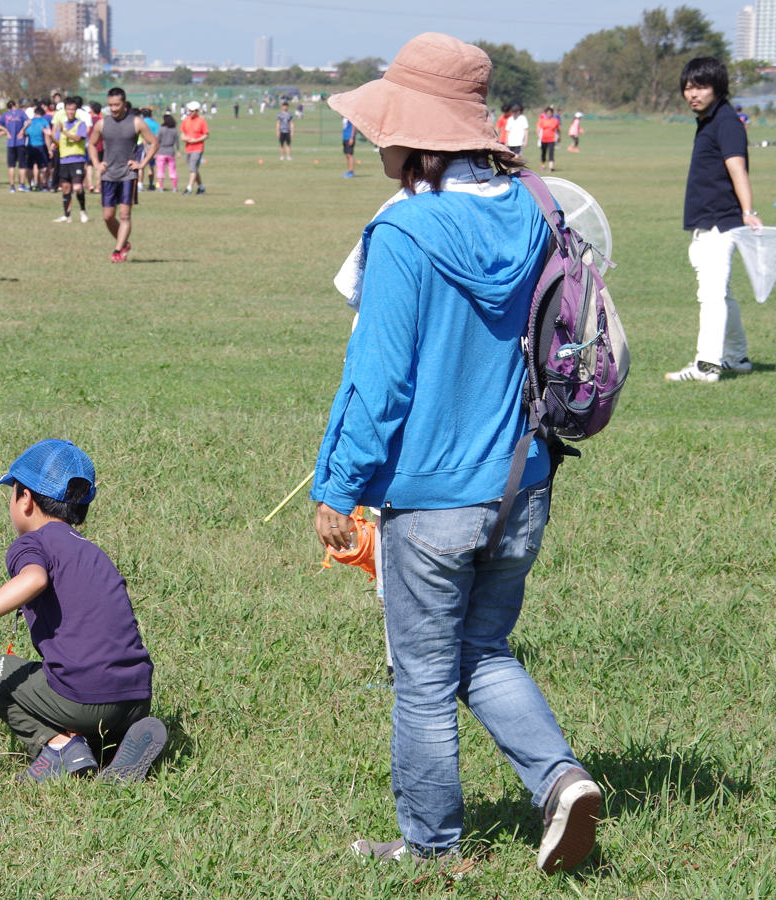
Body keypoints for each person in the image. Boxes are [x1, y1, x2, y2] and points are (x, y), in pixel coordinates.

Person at [317, 32, 602, 874]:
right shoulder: (537, 206)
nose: (377, 138)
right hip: (525, 483)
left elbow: (379, 384)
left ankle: (434, 849)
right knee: (481, 649)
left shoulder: (405, 230)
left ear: (418, 134)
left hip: (435, 496)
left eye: (387, 123)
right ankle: (562, 781)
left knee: (424, 678)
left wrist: (338, 487)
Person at [0, 439, 165, 783]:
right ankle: (116, 746)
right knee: (86, 703)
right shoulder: (93, 552)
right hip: (136, 696)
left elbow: (33, 579)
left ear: (25, 499)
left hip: (84, 699)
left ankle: (61, 748)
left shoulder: (33, 543)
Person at [665, 56, 760, 383]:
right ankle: (738, 356)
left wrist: (748, 212)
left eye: (700, 87)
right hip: (709, 221)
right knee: (722, 292)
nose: (692, 94)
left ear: (717, 88)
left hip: (722, 222)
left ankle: (707, 365)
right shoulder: (709, 120)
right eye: (688, 88)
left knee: (712, 294)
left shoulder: (726, 121)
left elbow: (738, 169)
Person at [88, 87, 157, 262]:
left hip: (128, 174)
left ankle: (117, 251)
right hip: (108, 175)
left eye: (117, 105)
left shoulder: (136, 122)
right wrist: (96, 163)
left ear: (124, 103)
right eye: (110, 105)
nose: (113, 108)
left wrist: (141, 164)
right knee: (108, 216)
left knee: (125, 214)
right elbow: (91, 144)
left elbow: (154, 143)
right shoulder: (102, 124)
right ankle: (124, 243)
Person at [51, 98, 90, 223]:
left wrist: (64, 132)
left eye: (73, 109)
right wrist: (50, 136)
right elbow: (57, 141)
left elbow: (78, 138)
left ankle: (83, 210)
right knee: (66, 188)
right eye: (68, 109)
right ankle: (66, 216)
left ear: (76, 110)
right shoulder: (63, 124)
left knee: (77, 187)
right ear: (65, 110)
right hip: (64, 160)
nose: (71, 112)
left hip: (77, 159)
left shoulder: (81, 124)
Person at [0, 100, 29, 192]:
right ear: (16, 105)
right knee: (22, 165)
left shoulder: (5, 115)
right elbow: (29, 121)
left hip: (10, 143)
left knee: (11, 166)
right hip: (20, 142)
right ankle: (21, 185)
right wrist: (22, 130)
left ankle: (12, 187)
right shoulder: (21, 113)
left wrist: (5, 130)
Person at [180, 101, 209, 195]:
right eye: (189, 110)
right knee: (194, 169)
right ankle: (201, 188)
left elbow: (206, 135)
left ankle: (189, 188)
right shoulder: (186, 120)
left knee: (192, 169)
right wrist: (185, 138)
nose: (190, 112)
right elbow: (182, 133)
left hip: (198, 148)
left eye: (192, 111)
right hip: (188, 148)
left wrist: (195, 140)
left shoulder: (201, 121)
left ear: (197, 111)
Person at [24, 105, 53, 191]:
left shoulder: (29, 122)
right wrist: (49, 150)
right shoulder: (44, 122)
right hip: (40, 146)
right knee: (42, 168)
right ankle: (40, 186)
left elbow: (25, 133)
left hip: (29, 146)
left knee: (29, 167)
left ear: (34, 113)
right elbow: (47, 137)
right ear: (43, 114)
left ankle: (30, 185)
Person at [154, 113, 179, 191]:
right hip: (170, 151)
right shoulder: (174, 130)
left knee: (160, 169)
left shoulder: (161, 129)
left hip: (161, 151)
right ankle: (174, 187)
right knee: (172, 169)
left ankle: (160, 187)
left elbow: (158, 141)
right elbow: (177, 141)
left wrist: (155, 151)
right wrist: (178, 151)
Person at [536, 105, 558, 172]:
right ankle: (543, 164)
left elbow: (557, 129)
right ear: (546, 113)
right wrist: (538, 135)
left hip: (551, 139)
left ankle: (551, 166)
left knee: (551, 153)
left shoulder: (555, 120)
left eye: (550, 113)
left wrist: (558, 137)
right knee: (543, 153)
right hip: (544, 139)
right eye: (548, 113)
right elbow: (538, 128)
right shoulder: (542, 120)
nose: (549, 114)